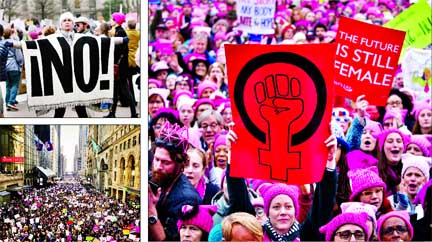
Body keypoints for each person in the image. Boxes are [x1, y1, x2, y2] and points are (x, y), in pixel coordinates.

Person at [148, 122, 201, 241]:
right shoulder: (154, 178)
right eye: (156, 159)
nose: (158, 166)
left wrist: (151, 211)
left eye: (165, 162)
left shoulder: (187, 199)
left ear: (179, 165)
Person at [105, 12, 138, 118]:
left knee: (125, 91)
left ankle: (133, 113)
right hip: (121, 66)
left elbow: (119, 50)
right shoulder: (119, 31)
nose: (111, 21)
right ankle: (112, 113)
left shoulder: (120, 32)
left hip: (120, 67)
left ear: (116, 21)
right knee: (116, 90)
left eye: (112, 19)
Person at [3, 27, 23, 111]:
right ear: (11, 34)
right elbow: (19, 57)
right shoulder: (13, 43)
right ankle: (11, 102)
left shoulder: (2, 43)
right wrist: (21, 65)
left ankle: (7, 102)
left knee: (8, 86)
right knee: (15, 84)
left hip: (5, 67)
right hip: (14, 66)